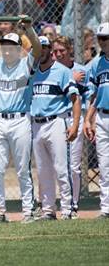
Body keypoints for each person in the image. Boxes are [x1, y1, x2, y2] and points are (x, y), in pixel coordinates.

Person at [0, 18, 42, 224]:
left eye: (12, 47)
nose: (7, 50)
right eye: (5, 46)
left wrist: (29, 28)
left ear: (18, 49)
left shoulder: (26, 64)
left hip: (20, 120)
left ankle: (28, 211)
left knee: (23, 168)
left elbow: (38, 48)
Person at [30, 34, 81, 221]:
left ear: (49, 50)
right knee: (43, 171)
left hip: (56, 122)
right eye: (38, 47)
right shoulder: (32, 71)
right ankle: (48, 210)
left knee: (62, 168)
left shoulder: (61, 71)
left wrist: (75, 125)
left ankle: (67, 209)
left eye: (44, 47)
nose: (41, 51)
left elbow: (75, 99)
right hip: (36, 124)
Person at [53, 35, 89, 218]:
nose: (58, 55)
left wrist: (88, 120)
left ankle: (73, 204)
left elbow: (89, 95)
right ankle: (55, 204)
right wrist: (71, 79)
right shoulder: (51, 70)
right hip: (57, 119)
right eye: (55, 51)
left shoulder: (81, 71)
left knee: (73, 165)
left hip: (75, 117)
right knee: (57, 165)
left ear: (70, 52)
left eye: (62, 51)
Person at [83, 22, 109, 219]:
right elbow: (93, 97)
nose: (103, 42)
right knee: (104, 165)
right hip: (101, 116)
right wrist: (87, 120)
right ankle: (106, 208)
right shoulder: (97, 65)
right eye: (101, 39)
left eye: (106, 38)